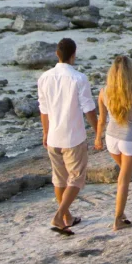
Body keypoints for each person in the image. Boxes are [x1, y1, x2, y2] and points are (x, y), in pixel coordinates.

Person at [37, 37, 98, 236]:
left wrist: (45, 133)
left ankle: (67, 218)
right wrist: (98, 131)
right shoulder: (79, 78)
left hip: (53, 136)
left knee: (60, 179)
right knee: (77, 178)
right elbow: (88, 108)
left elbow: (43, 109)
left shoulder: (44, 77)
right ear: (74, 55)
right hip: (73, 137)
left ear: (57, 54)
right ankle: (59, 215)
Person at [94, 55, 132, 231]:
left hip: (111, 138)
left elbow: (101, 119)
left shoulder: (103, 91)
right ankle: (118, 219)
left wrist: (98, 138)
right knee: (123, 180)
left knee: (124, 177)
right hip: (129, 139)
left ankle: (122, 214)